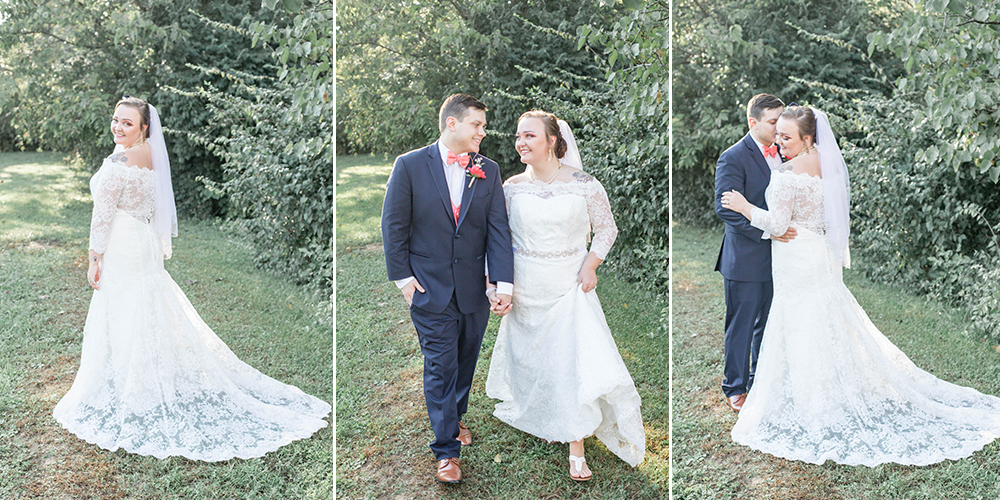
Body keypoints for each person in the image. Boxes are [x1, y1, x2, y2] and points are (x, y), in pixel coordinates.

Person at [53, 97, 331, 461]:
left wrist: (94, 257)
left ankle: (135, 389)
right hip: (141, 240)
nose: (118, 127)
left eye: (127, 123)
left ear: (143, 128)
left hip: (122, 245)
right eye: (116, 120)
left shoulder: (121, 160)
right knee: (140, 307)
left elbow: (102, 215)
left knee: (123, 309)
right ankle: (144, 381)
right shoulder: (150, 154)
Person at [721, 105, 1000, 466]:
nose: (779, 141)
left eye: (787, 136)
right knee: (819, 319)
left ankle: (813, 402)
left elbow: (777, 225)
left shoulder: (787, 174)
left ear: (807, 137)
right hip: (817, 255)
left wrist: (744, 206)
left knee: (800, 322)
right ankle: (827, 391)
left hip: (795, 257)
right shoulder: (826, 162)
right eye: (778, 134)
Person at [485, 110, 645, 481]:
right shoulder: (510, 188)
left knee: (572, 359)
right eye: (518, 136)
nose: (520, 143)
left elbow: (607, 229)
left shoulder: (585, 183)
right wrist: (496, 285)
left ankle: (576, 446)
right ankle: (543, 416)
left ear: (553, 141)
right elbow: (499, 241)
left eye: (529, 136)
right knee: (534, 358)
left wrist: (590, 266)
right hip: (526, 286)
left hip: (570, 286)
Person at [381, 94, 515, 483]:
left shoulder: (487, 169)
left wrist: (501, 282)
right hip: (429, 288)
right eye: (477, 125)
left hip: (474, 290)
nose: (483, 133)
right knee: (440, 366)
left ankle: (455, 419)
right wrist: (405, 281)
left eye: (483, 126)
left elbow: (497, 230)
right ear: (452, 124)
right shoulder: (409, 166)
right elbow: (394, 226)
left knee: (465, 361)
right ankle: (446, 452)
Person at [713, 93, 797, 413]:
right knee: (742, 325)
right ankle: (735, 386)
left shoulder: (786, 154)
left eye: (781, 122)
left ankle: (760, 377)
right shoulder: (733, 156)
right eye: (773, 122)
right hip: (745, 258)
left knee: (769, 322)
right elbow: (727, 210)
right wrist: (769, 230)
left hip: (782, 258)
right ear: (753, 122)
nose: (779, 129)